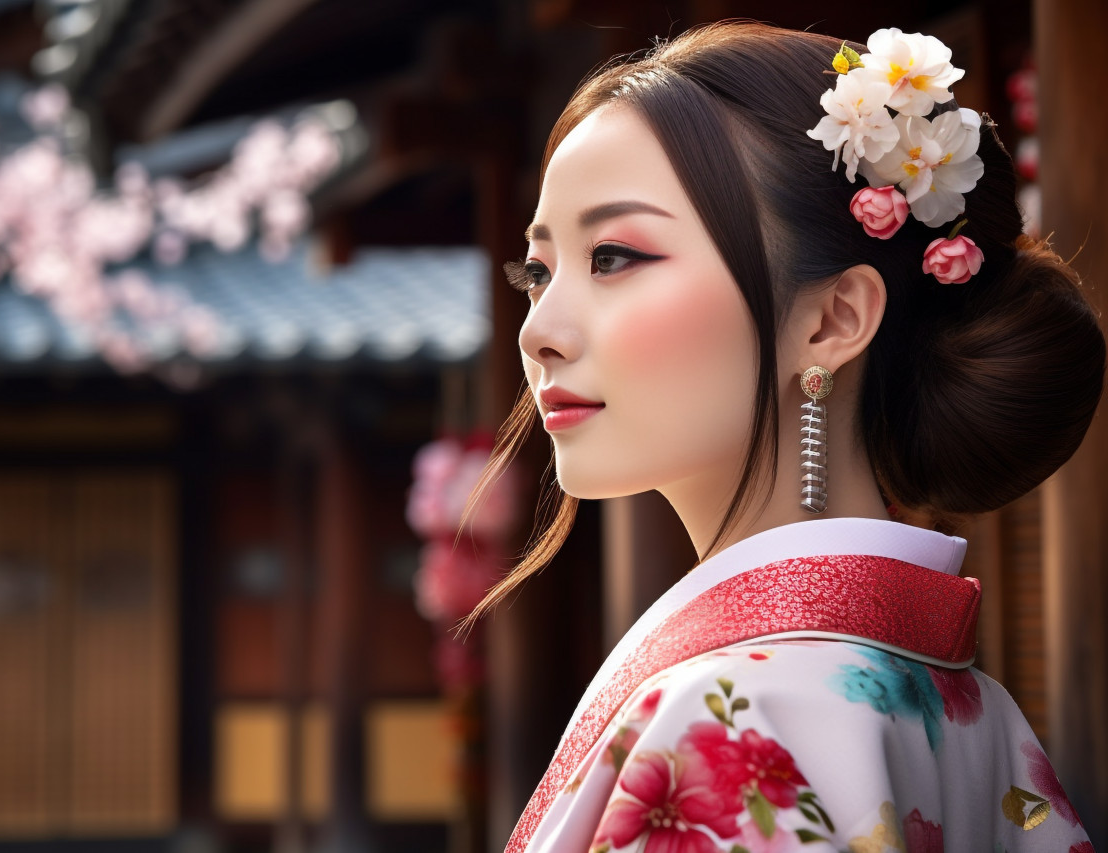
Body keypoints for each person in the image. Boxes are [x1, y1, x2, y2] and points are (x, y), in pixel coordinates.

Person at [470, 21, 1104, 853]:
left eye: (615, 255)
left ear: (832, 319)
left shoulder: (737, 710)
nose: (538, 331)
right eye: (537, 273)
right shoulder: (971, 707)